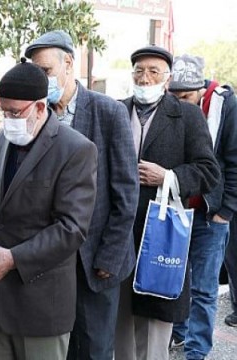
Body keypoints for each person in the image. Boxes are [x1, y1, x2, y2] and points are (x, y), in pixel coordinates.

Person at [0, 59, 98, 360]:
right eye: (3, 111)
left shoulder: (75, 149)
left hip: (41, 307)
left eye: (15, 112)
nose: (8, 120)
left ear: (41, 108)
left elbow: (71, 228)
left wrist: (14, 259)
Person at [25, 30, 139, 360]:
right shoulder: (36, 115)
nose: (41, 80)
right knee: (56, 347)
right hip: (50, 257)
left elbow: (125, 191)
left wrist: (110, 256)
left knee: (94, 349)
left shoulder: (109, 112)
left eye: (45, 71)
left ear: (68, 64)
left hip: (95, 259)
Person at [114, 46, 220, 360]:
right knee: (119, 328)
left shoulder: (185, 115)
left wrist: (169, 177)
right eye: (139, 71)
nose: (144, 77)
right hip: (118, 236)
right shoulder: (117, 111)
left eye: (153, 71)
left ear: (167, 78)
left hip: (159, 236)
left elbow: (208, 170)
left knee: (152, 329)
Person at [167, 54, 237, 359]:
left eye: (186, 97)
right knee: (175, 280)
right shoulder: (169, 107)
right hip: (176, 210)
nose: (180, 103)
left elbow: (234, 162)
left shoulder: (226, 107)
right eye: (175, 96)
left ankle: (196, 352)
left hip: (211, 215)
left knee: (205, 289)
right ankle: (178, 335)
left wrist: (226, 211)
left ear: (200, 90)